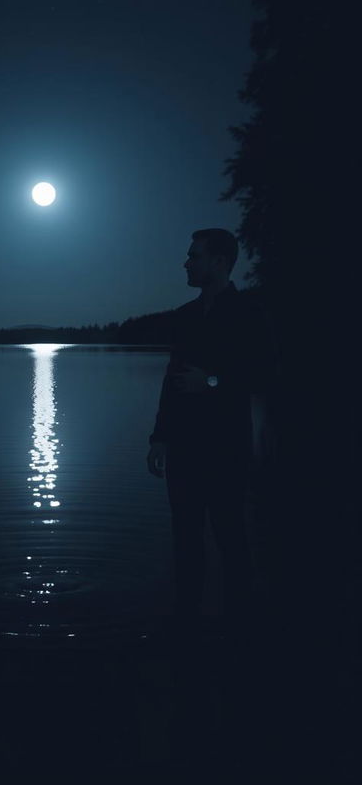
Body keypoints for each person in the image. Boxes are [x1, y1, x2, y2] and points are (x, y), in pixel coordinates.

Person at [147, 228, 273, 644]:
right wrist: (159, 437)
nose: (186, 263)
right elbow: (172, 379)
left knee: (230, 537)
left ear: (219, 262)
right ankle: (187, 625)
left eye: (194, 256)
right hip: (183, 447)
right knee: (185, 539)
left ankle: (240, 628)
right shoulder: (184, 316)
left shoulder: (248, 312)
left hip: (226, 447)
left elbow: (261, 375)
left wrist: (213, 382)